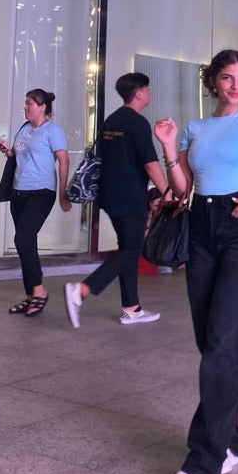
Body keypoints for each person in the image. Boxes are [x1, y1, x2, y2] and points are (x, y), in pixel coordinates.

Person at [153, 49, 238, 474]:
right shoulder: (196, 128)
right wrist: (170, 149)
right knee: (209, 340)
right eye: (227, 78)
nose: (236, 85)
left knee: (225, 339)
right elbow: (183, 189)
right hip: (202, 229)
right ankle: (229, 440)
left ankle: (205, 460)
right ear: (212, 82)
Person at [64, 73, 168, 329]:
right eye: (148, 88)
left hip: (109, 197)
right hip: (130, 196)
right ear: (140, 92)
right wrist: (168, 192)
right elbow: (151, 163)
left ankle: (131, 308)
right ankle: (82, 290)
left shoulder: (112, 120)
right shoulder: (137, 123)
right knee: (132, 250)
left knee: (127, 249)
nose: (149, 93)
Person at [0, 88, 70, 317]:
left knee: (23, 237)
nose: (25, 107)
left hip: (41, 191)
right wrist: (9, 153)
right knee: (24, 243)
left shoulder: (53, 131)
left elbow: (64, 160)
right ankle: (30, 295)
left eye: (29, 103)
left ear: (42, 107)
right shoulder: (25, 129)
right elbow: (20, 155)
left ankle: (39, 290)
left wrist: (62, 193)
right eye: (25, 103)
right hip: (19, 191)